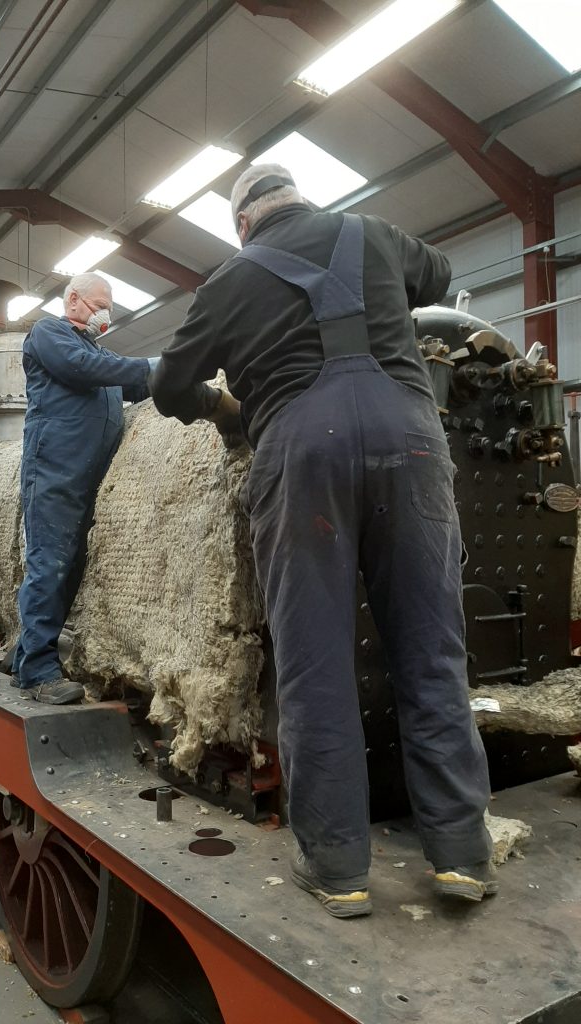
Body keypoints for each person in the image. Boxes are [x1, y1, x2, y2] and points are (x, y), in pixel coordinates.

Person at [150, 164, 495, 918]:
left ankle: (340, 871)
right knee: (434, 653)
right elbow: (438, 274)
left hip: (301, 456)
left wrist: (224, 406)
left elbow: (168, 387)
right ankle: (462, 856)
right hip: (412, 444)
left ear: (243, 223)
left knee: (316, 665)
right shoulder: (373, 234)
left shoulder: (227, 281)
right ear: (302, 199)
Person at [12, 273, 156, 704]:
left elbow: (135, 383)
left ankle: (31, 652)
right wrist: (152, 364)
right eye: (99, 305)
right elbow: (82, 369)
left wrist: (180, 371)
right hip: (54, 471)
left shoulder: (99, 353)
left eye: (110, 308)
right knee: (50, 565)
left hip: (88, 478)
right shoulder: (50, 334)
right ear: (73, 299)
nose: (105, 315)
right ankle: (36, 672)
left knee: (70, 569)